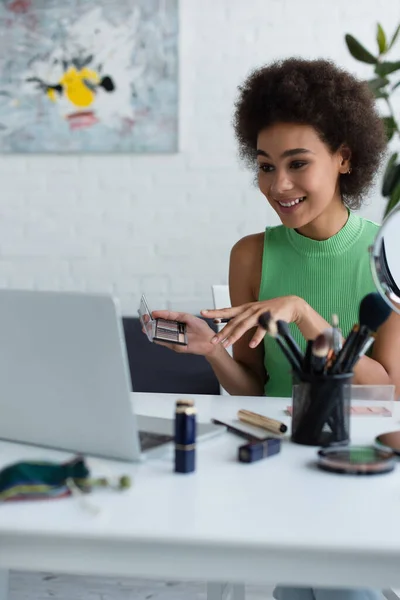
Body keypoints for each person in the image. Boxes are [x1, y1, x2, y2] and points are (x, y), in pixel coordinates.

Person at [149, 58, 400, 599]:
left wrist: (304, 314)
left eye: (297, 163)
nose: (278, 185)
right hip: (278, 462)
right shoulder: (250, 255)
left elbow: (385, 390)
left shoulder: (388, 253)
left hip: (358, 463)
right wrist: (214, 350)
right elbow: (255, 391)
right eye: (265, 166)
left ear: (344, 158)